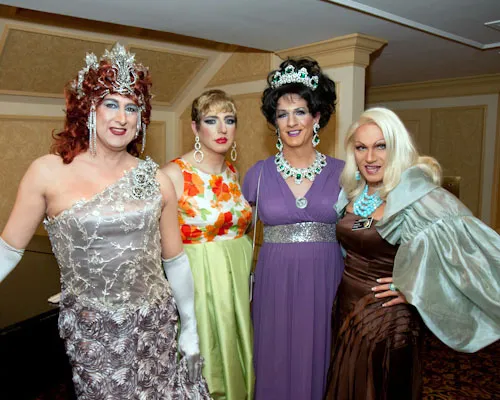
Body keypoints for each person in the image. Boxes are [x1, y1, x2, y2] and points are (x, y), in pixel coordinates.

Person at [0, 43, 211, 399]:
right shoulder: (47, 172)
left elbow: (175, 262)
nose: (122, 117)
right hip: (94, 333)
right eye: (111, 104)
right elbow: (7, 251)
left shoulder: (155, 179)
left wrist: (190, 328)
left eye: (132, 108)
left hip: (155, 325)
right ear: (88, 108)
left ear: (141, 119)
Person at [326, 107, 500, 399]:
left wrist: (415, 288)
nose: (370, 157)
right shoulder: (352, 192)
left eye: (381, 146)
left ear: (397, 149)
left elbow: (465, 254)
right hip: (347, 303)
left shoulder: (417, 196)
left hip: (386, 317)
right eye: (361, 147)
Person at [242, 58, 345, 400]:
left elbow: (365, 233)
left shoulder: (345, 174)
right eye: (282, 114)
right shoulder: (257, 174)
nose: (291, 122)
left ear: (317, 117)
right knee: (274, 359)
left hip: (326, 281)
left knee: (322, 358)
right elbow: (234, 230)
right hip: (274, 282)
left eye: (300, 112)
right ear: (274, 121)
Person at [161, 89, 254, 400]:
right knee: (206, 366)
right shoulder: (173, 174)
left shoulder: (232, 173)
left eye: (229, 120)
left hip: (235, 288)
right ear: (195, 127)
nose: (222, 128)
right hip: (198, 287)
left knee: (234, 359)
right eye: (212, 120)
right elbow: (148, 240)